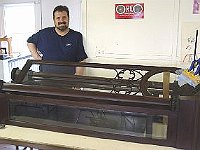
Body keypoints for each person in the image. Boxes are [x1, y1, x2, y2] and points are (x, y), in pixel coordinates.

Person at [27, 5, 88, 75]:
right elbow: (30, 41)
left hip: (69, 80)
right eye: (58, 18)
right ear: (54, 20)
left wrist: (77, 79)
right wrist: (36, 57)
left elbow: (81, 60)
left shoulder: (77, 36)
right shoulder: (44, 33)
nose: (61, 20)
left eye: (64, 17)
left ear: (68, 18)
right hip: (46, 79)